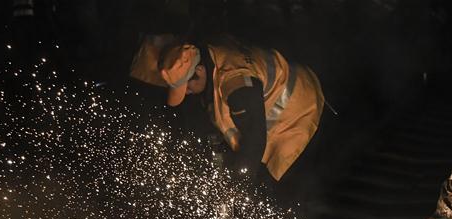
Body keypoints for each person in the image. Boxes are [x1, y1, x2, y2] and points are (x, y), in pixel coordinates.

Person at [130, 36, 324, 184]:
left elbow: (255, 138)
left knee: (284, 192)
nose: (187, 93)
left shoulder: (235, 83)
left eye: (187, 87)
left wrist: (238, 183)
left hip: (301, 109)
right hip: (281, 109)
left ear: (199, 70)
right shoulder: (212, 60)